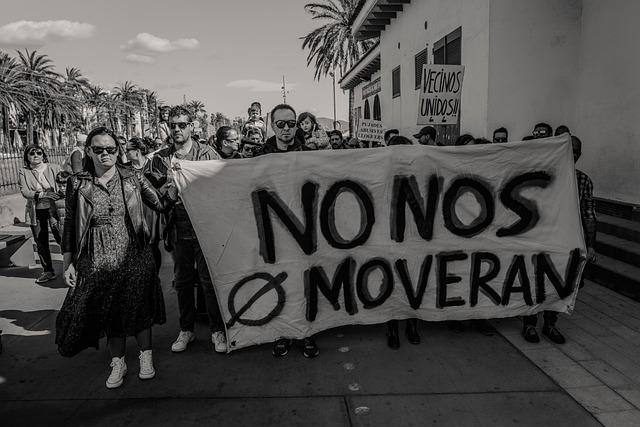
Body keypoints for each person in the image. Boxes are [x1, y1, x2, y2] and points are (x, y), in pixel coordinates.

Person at [55, 126, 175, 389]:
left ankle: (146, 357)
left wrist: (174, 187)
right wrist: (68, 262)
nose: (105, 154)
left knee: (139, 305)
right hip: (96, 255)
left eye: (110, 149)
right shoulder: (77, 182)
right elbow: (69, 225)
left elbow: (159, 204)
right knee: (109, 311)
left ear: (118, 151)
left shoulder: (132, 176)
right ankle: (118, 361)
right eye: (98, 149)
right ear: (88, 150)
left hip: (134, 251)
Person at [147, 106, 227, 354]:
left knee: (208, 280)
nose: (177, 129)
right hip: (177, 224)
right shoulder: (160, 158)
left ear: (192, 126)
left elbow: (223, 184)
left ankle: (217, 331)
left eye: (182, 124)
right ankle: (186, 330)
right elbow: (150, 192)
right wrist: (169, 189)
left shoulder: (207, 153)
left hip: (205, 225)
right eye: (173, 125)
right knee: (182, 280)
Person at [255, 104, 318, 358]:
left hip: (304, 230)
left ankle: (306, 333)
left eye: (290, 123)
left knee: (304, 282)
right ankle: (282, 333)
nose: (286, 129)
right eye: (280, 124)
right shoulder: (260, 155)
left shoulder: (308, 154)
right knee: (279, 282)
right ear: (272, 125)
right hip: (273, 231)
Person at [384, 134, 420, 347]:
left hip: (413, 237)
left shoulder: (419, 173)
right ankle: (392, 327)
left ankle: (412, 324)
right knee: (391, 282)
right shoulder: (380, 175)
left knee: (412, 282)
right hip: (389, 238)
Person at [19, 144, 63, 283]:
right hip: (36, 210)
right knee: (41, 241)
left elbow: (65, 184)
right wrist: (44, 194)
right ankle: (48, 271)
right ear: (27, 157)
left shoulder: (54, 168)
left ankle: (74, 264)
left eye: (39, 153)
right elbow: (25, 192)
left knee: (60, 236)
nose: (36, 155)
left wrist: (59, 193)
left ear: (43, 155)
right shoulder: (23, 172)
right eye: (32, 153)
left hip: (54, 209)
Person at [126, 137, 162, 273]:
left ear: (137, 151)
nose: (126, 153)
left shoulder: (154, 164)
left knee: (153, 245)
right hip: (134, 210)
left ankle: (155, 275)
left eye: (128, 150)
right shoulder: (126, 168)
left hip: (152, 210)